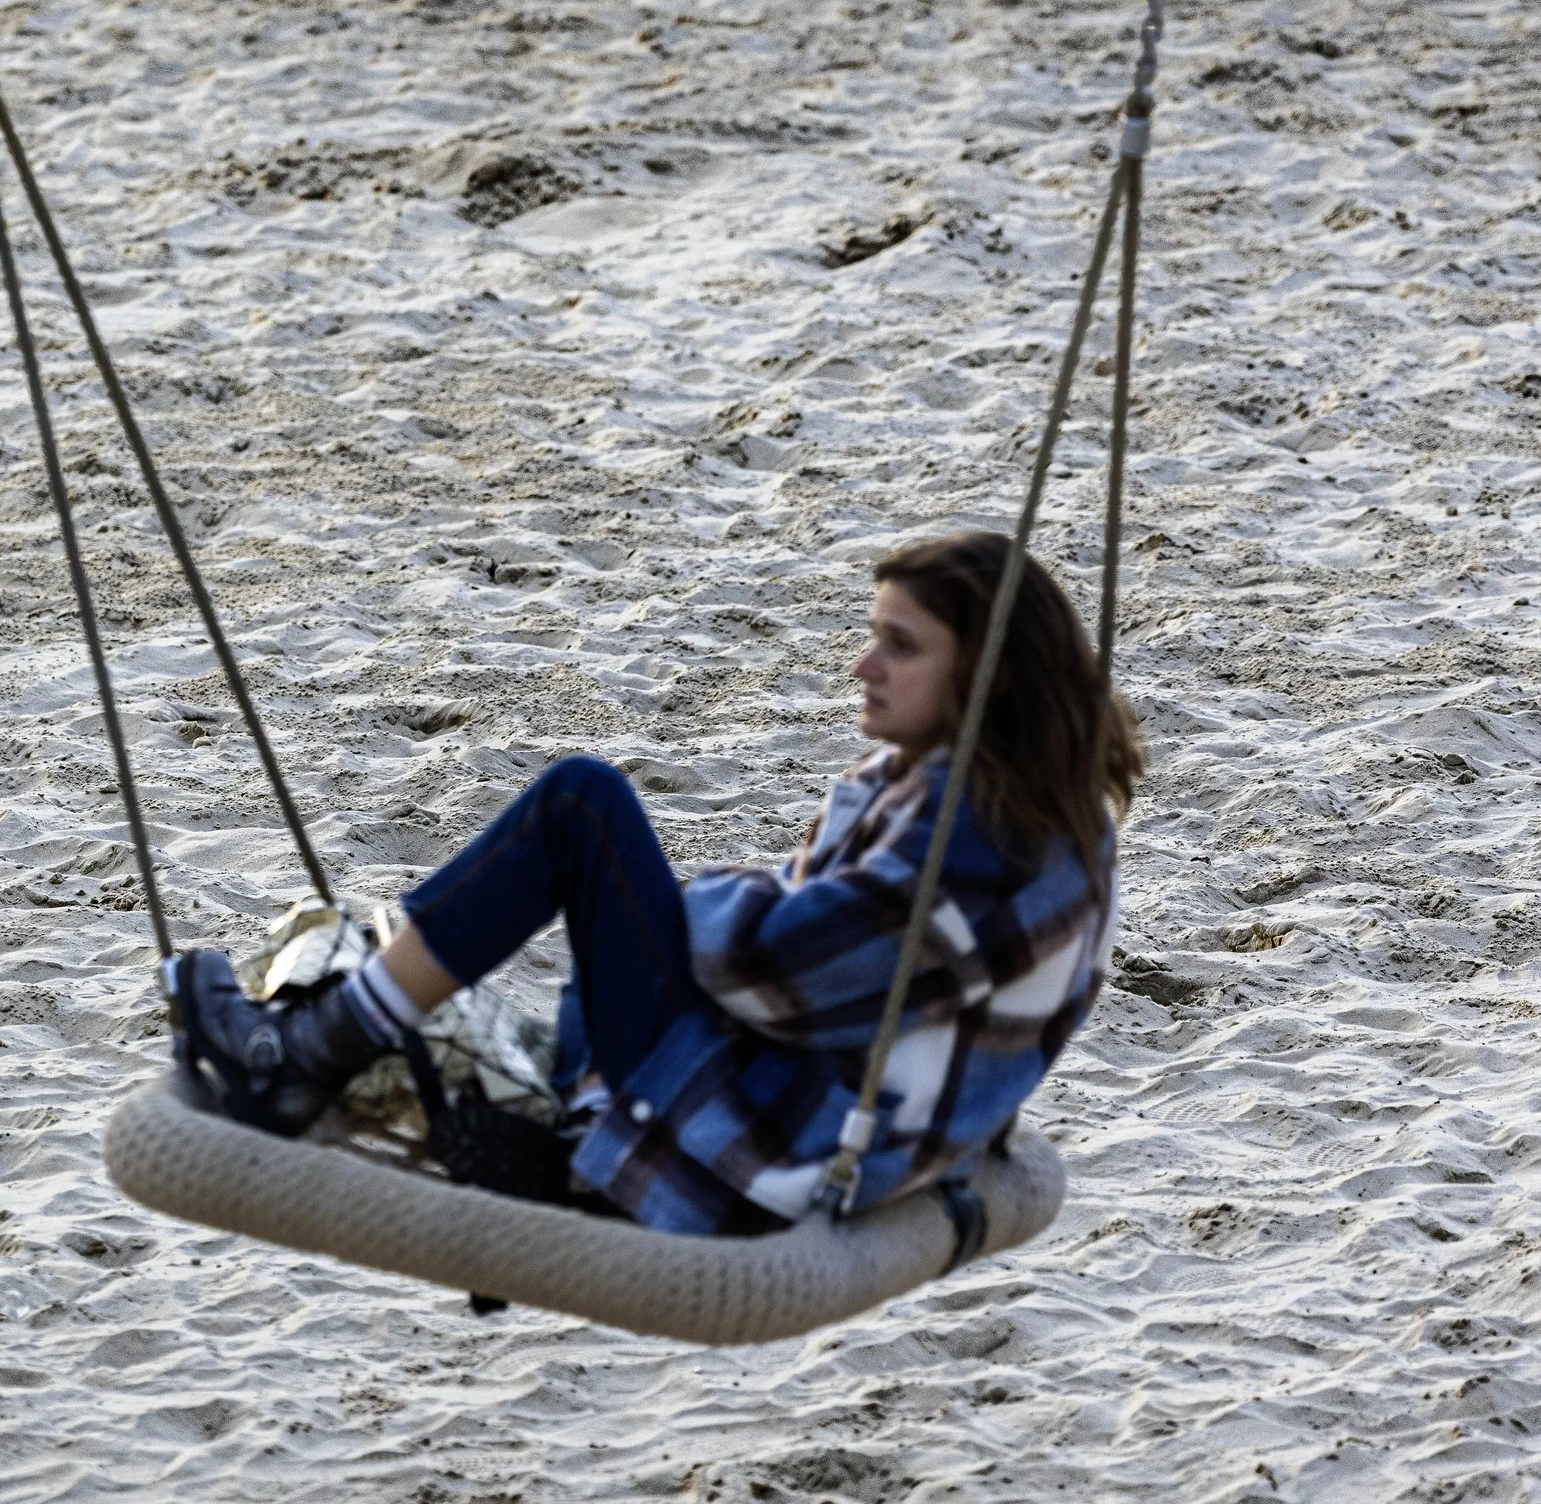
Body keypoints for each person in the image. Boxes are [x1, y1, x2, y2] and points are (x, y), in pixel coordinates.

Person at [171, 529, 1142, 1237]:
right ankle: (379, 1054)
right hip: (816, 1100)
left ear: (992, 677)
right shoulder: (1038, 812)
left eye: (900, 644)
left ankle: (300, 1052)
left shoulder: (980, 836)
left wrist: (682, 905)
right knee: (595, 896)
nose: (862, 665)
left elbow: (774, 963)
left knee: (581, 809)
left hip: (778, 1146)